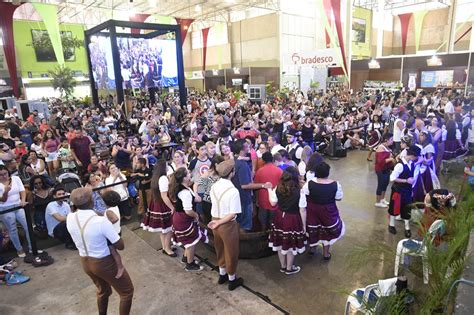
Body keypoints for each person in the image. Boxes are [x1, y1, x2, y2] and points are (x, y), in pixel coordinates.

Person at [66, 187, 134, 315]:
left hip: (85, 262)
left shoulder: (70, 217)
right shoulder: (101, 222)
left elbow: (84, 215)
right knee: (126, 292)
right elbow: (120, 246)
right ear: (92, 202)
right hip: (104, 263)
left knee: (104, 291)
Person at [208, 159, 244, 290]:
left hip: (214, 220)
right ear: (232, 173)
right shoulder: (233, 191)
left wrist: (216, 221)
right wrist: (220, 222)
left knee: (219, 248)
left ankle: (222, 274)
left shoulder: (214, 185)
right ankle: (232, 279)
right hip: (226, 224)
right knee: (231, 251)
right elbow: (233, 214)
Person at [268, 166, 306, 275]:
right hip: (292, 219)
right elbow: (302, 210)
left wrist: (269, 190)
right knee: (290, 244)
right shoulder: (300, 191)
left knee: (280, 242)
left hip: (279, 217)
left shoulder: (278, 188)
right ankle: (289, 268)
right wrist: (303, 225)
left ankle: (283, 266)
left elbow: (273, 203)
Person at [301, 162, 344, 260]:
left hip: (313, 211)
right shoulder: (335, 184)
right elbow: (339, 198)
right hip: (328, 211)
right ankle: (326, 253)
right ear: (328, 172)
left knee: (313, 230)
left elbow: (305, 194)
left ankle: (312, 248)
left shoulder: (310, 183)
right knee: (327, 232)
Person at [169, 167, 208, 271]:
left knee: (188, 240)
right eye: (188, 173)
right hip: (183, 219)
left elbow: (193, 198)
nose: (190, 174)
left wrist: (197, 199)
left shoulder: (182, 187)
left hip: (180, 218)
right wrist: (196, 215)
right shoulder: (185, 192)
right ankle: (190, 265)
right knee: (191, 242)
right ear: (184, 178)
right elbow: (188, 211)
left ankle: (186, 258)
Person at [232, 139, 272, 231]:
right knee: (244, 225)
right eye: (247, 146)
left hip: (238, 197)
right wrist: (263, 185)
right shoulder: (243, 165)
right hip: (244, 198)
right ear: (242, 150)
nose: (249, 147)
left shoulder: (235, 160)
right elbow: (245, 185)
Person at [141, 160, 176, 257]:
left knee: (163, 229)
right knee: (168, 228)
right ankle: (167, 248)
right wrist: (172, 207)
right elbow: (164, 196)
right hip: (163, 204)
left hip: (156, 203)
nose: (168, 166)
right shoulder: (163, 178)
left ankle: (165, 247)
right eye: (166, 165)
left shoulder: (156, 177)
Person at [388, 145, 421, 238]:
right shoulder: (400, 165)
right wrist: (406, 181)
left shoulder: (411, 163)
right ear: (413, 156)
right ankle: (391, 224)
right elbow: (392, 178)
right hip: (398, 190)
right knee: (394, 207)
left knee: (407, 208)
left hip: (407, 190)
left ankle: (407, 227)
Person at [0, 165, 32, 257]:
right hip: (6, 208)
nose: (4, 176)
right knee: (12, 229)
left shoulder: (15, 178)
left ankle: (31, 247)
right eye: (1, 175)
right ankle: (19, 249)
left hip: (18, 205)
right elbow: (2, 200)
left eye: (5, 173)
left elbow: (22, 190)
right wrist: (6, 191)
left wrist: (22, 200)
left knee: (27, 226)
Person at [254, 152, 283, 230]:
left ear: (263, 160)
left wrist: (257, 199)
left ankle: (263, 234)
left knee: (263, 220)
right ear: (272, 159)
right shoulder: (279, 171)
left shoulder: (259, 171)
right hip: (275, 200)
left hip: (262, 199)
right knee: (273, 221)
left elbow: (256, 186)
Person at [102, 190, 125, 279]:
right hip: (117, 231)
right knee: (112, 251)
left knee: (113, 252)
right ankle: (115, 265)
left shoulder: (109, 212)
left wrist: (107, 224)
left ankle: (120, 267)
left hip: (112, 235)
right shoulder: (114, 207)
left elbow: (114, 219)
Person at [198, 156, 224, 225]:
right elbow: (200, 188)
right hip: (208, 203)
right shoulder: (208, 173)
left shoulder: (223, 173)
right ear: (216, 165)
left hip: (219, 203)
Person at [374, 133, 395, 208]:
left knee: (385, 184)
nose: (392, 141)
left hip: (386, 168)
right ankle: (377, 201)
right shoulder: (381, 147)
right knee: (381, 184)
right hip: (380, 169)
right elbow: (380, 161)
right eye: (391, 139)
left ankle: (382, 199)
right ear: (386, 140)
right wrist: (391, 159)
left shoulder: (387, 147)